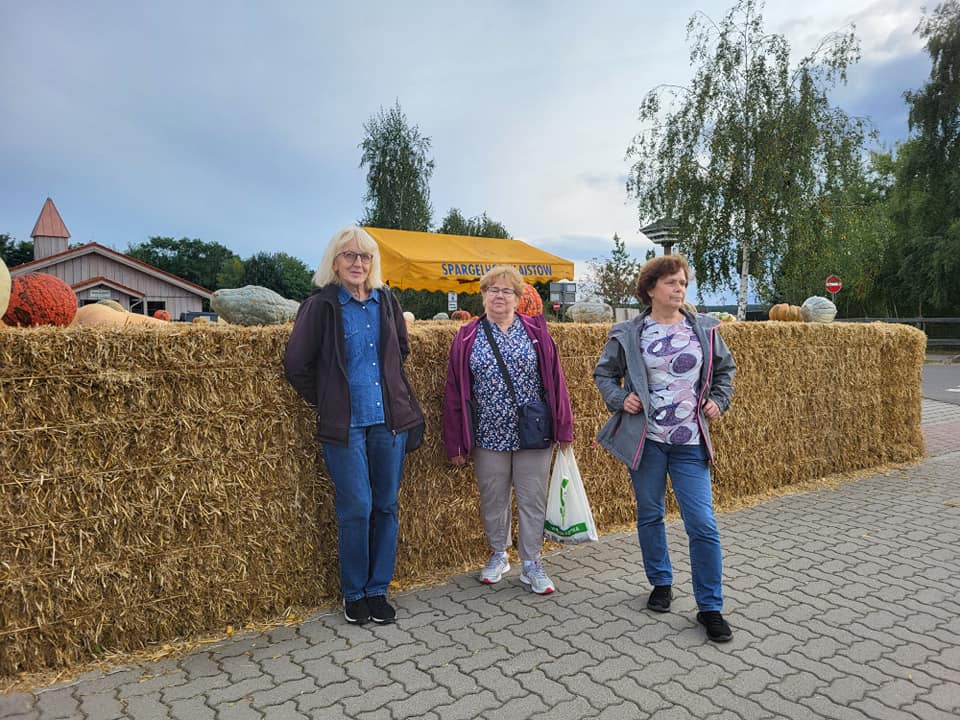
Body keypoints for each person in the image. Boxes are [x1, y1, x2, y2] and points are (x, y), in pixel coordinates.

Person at [284, 226, 424, 626]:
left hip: (388, 423)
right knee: (357, 507)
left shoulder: (386, 302)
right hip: (345, 426)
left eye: (364, 257)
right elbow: (296, 365)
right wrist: (329, 398)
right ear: (334, 262)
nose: (358, 263)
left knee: (386, 505)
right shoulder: (321, 306)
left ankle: (378, 589)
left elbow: (401, 350)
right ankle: (354, 592)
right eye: (349, 255)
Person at [592, 255, 736, 642]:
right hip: (648, 443)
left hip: (690, 444)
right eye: (672, 282)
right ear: (651, 288)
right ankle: (661, 582)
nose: (679, 289)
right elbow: (603, 373)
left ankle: (710, 607)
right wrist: (620, 399)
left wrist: (719, 401)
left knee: (703, 525)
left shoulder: (704, 330)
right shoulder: (629, 333)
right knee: (650, 515)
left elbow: (725, 371)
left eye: (683, 283)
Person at [443, 265, 574, 594]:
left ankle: (531, 562)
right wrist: (456, 443)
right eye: (492, 290)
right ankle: (499, 553)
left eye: (506, 291)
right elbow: (454, 391)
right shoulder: (467, 335)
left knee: (532, 498)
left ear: (518, 298)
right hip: (488, 433)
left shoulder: (536, 332)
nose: (499, 296)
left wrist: (564, 429)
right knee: (493, 497)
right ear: (483, 296)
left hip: (533, 432)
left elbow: (556, 383)